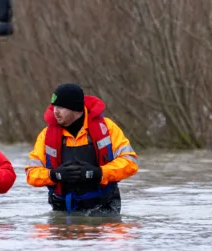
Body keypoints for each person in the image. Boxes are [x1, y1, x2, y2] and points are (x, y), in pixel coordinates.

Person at [25, 83, 138, 215]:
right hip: (62, 209)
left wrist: (99, 173)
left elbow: (131, 163)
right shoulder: (46, 135)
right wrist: (54, 175)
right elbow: (31, 174)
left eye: (61, 107)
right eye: (54, 106)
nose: (55, 111)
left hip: (104, 208)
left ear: (76, 109)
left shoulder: (107, 128)